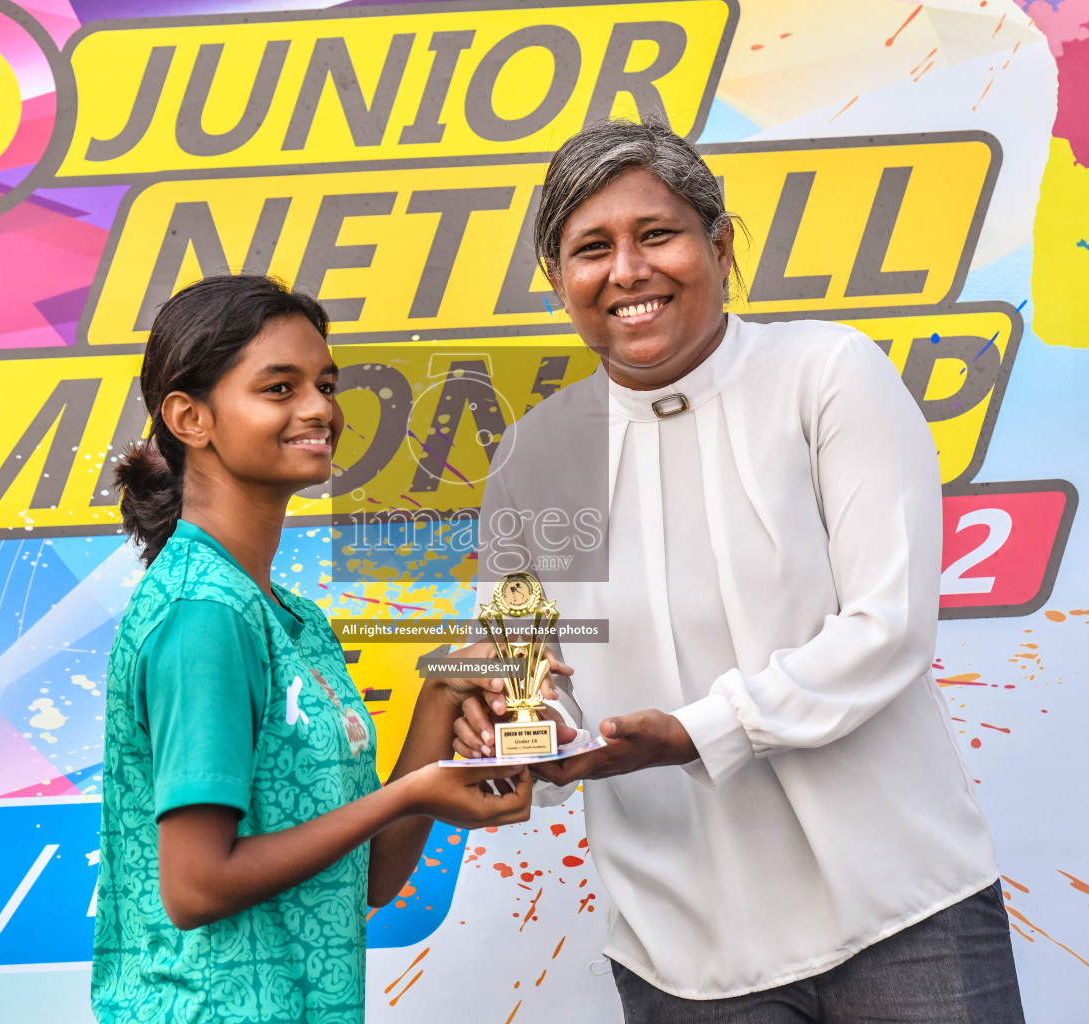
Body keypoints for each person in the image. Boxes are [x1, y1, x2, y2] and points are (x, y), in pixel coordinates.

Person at [452, 119, 1027, 1023]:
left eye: (658, 234)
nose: (628, 271)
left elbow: (889, 627)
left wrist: (695, 732)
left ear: (719, 245)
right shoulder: (539, 454)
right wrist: (517, 733)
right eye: (591, 249)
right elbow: (526, 671)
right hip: (682, 948)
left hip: (905, 910)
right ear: (561, 282)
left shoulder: (824, 374)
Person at [90, 275, 533, 1024]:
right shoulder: (205, 613)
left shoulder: (290, 617)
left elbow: (367, 879)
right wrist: (412, 793)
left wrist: (443, 695)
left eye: (325, 384)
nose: (320, 408)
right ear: (190, 417)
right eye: (279, 387)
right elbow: (195, 888)